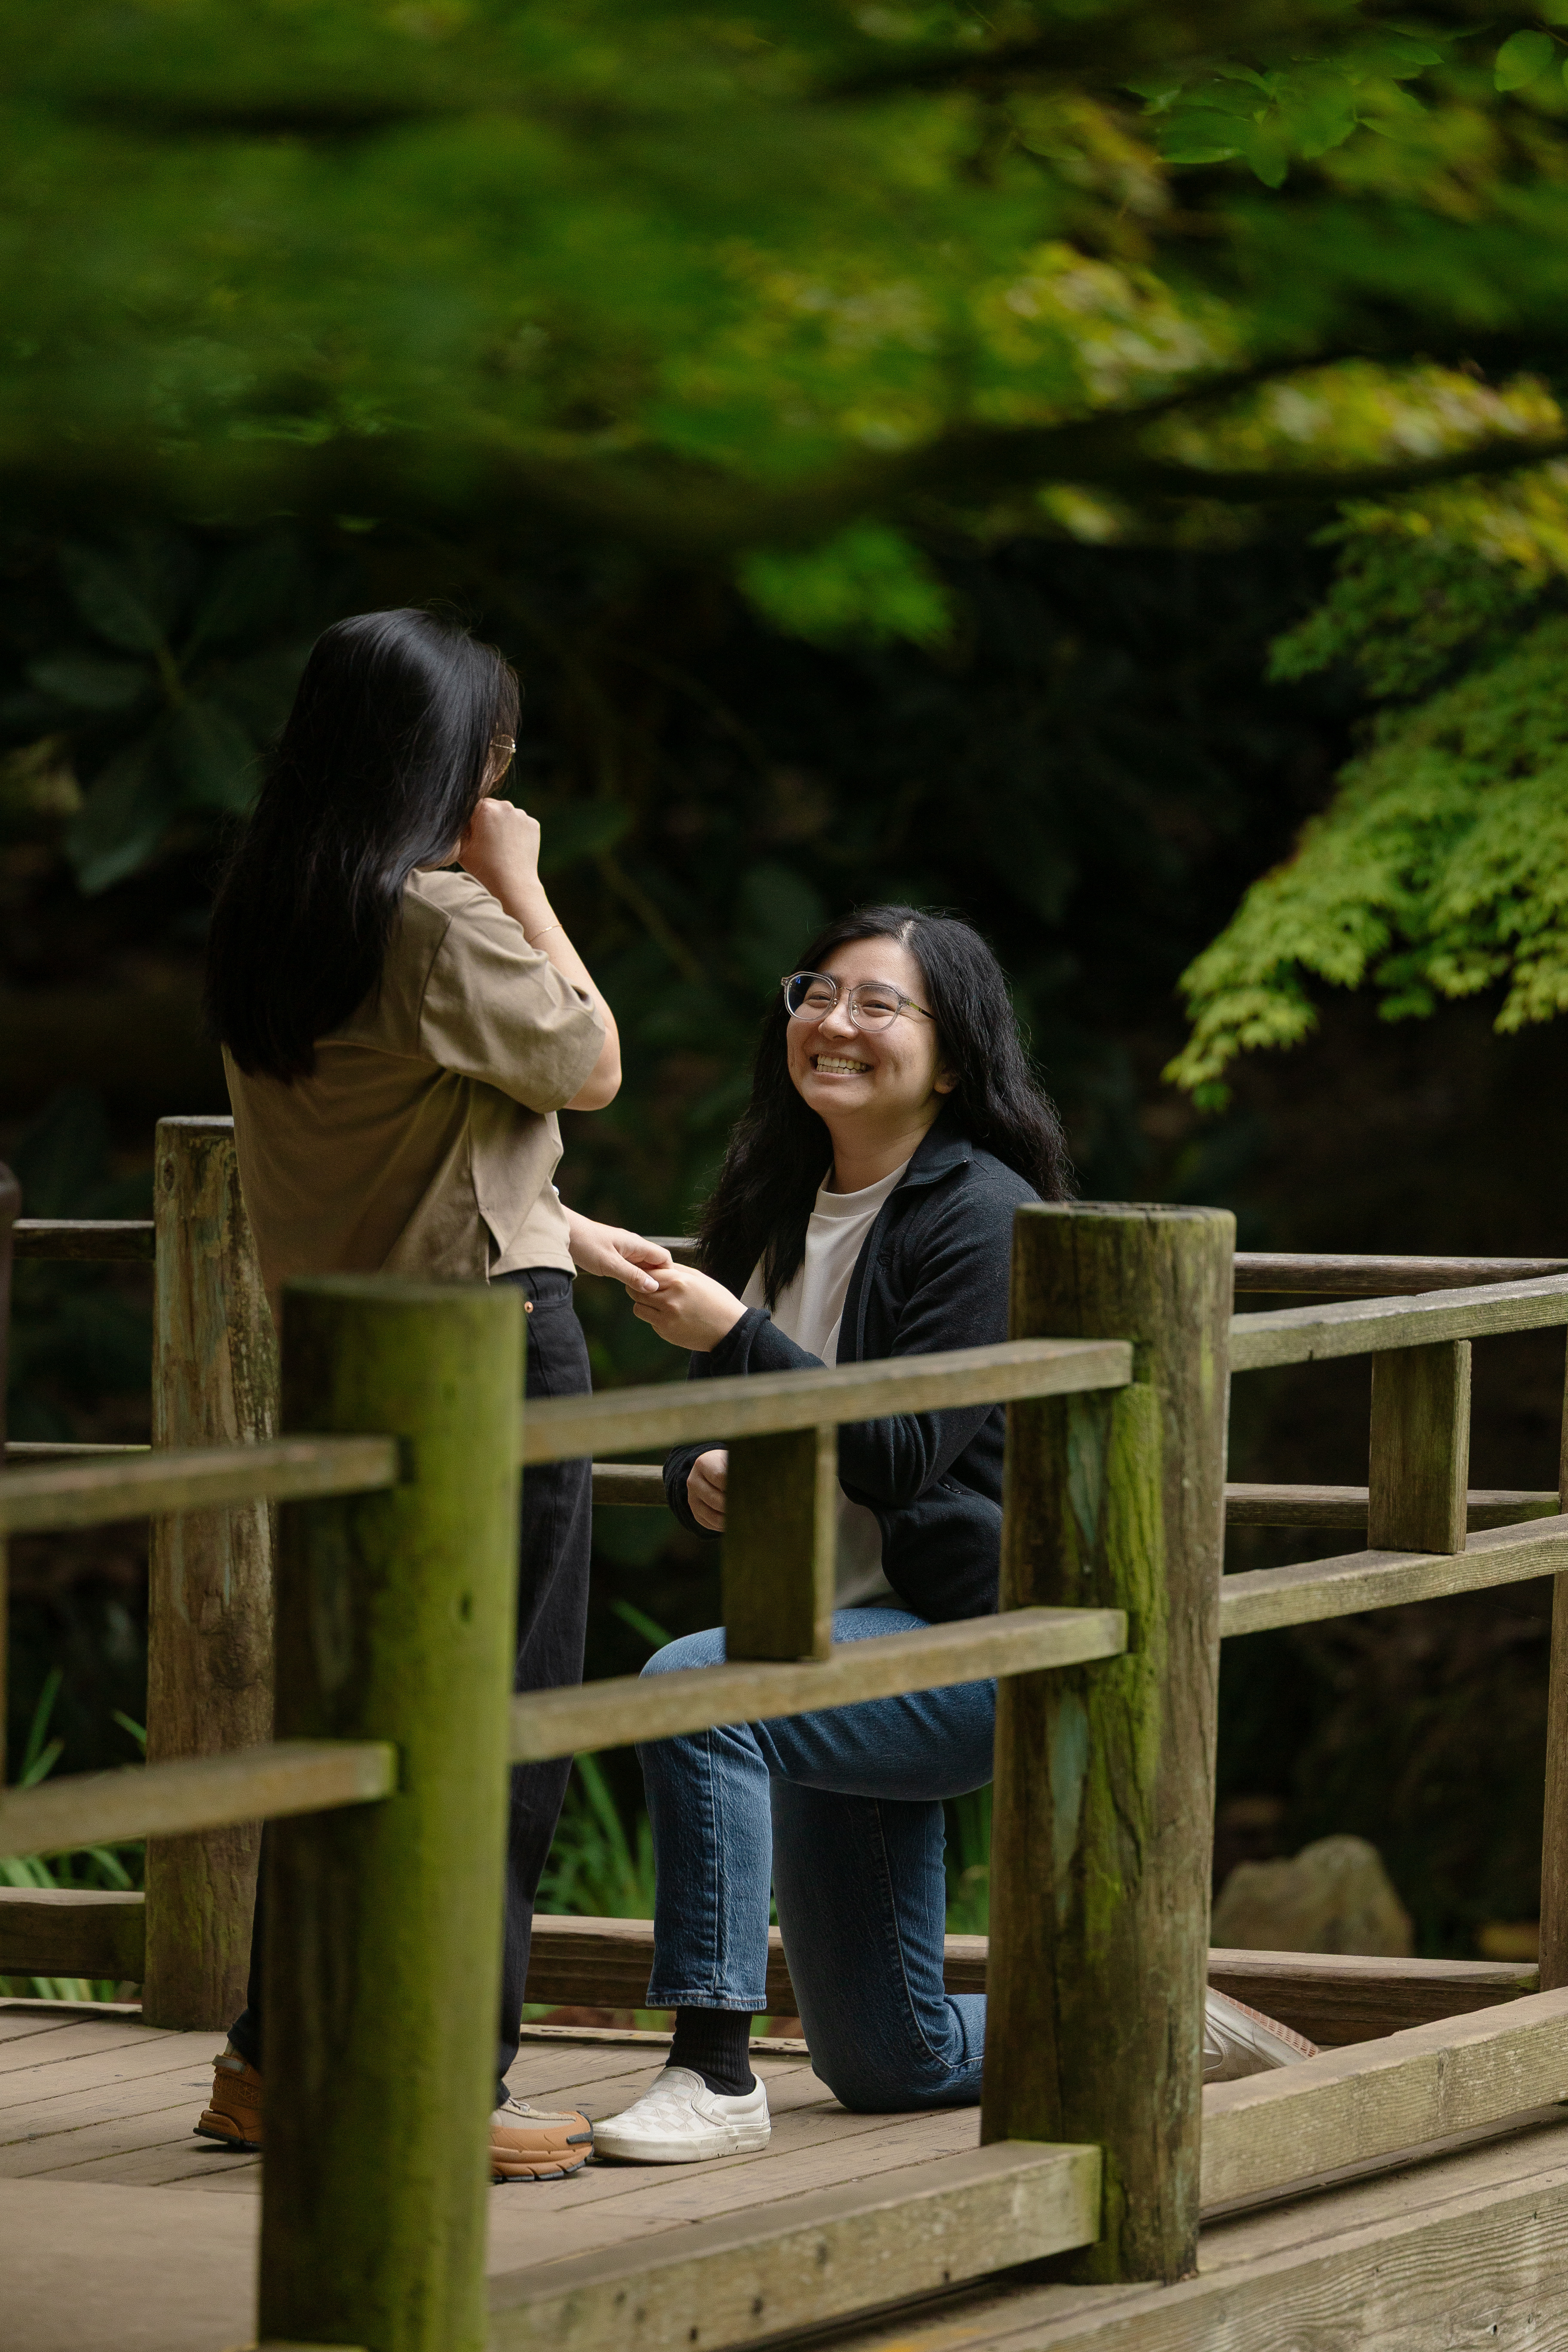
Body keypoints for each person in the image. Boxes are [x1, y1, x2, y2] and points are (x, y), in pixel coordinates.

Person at [591, 905, 1316, 2165]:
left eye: (881, 1005)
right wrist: (691, 1471)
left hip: (970, 1641)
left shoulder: (979, 1210)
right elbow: (750, 1412)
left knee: (690, 1696)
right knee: (886, 2058)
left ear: (957, 1057)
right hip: (830, 1632)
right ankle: (1142, 2017)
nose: (837, 1022)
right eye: (819, 991)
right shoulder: (777, 1198)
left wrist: (728, 1336)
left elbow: (901, 1448)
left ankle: (711, 2075)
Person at [193, 607, 671, 2181]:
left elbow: (402, 1139)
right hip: (481, 1359)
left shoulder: (274, 921)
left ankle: (274, 2065)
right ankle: (441, 2085)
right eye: (497, 753)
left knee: (354, 1721)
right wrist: (522, 877)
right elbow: (591, 1059)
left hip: (346, 1362)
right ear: (449, 762)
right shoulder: (440, 918)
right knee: (492, 1726)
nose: (505, 780)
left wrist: (564, 1224)